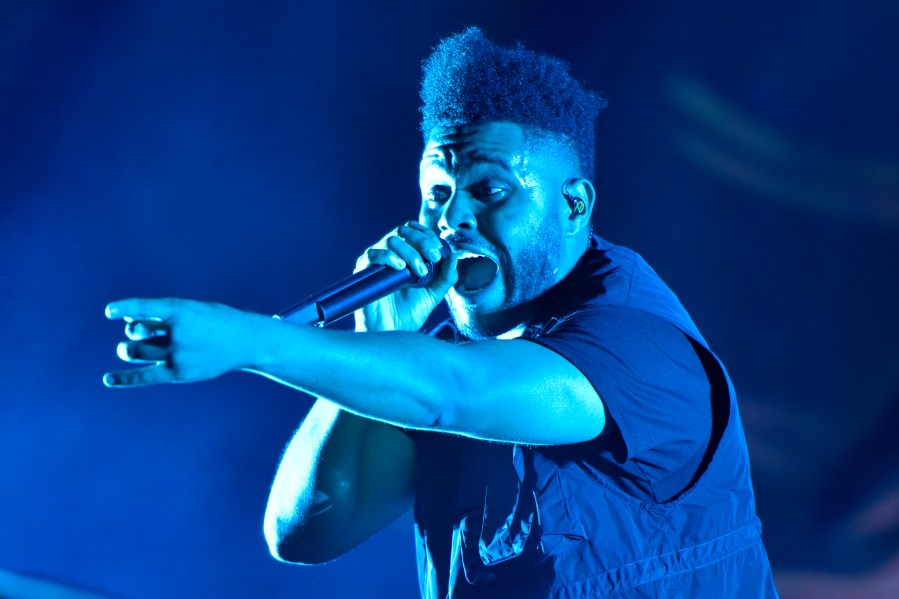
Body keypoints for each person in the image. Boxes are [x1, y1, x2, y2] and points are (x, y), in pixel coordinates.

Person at [105, 28, 778, 598]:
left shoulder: (637, 343)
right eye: (436, 191)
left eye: (489, 191)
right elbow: (304, 531)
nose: (451, 218)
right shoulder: (427, 355)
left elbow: (455, 395)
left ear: (572, 204)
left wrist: (253, 339)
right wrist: (383, 332)